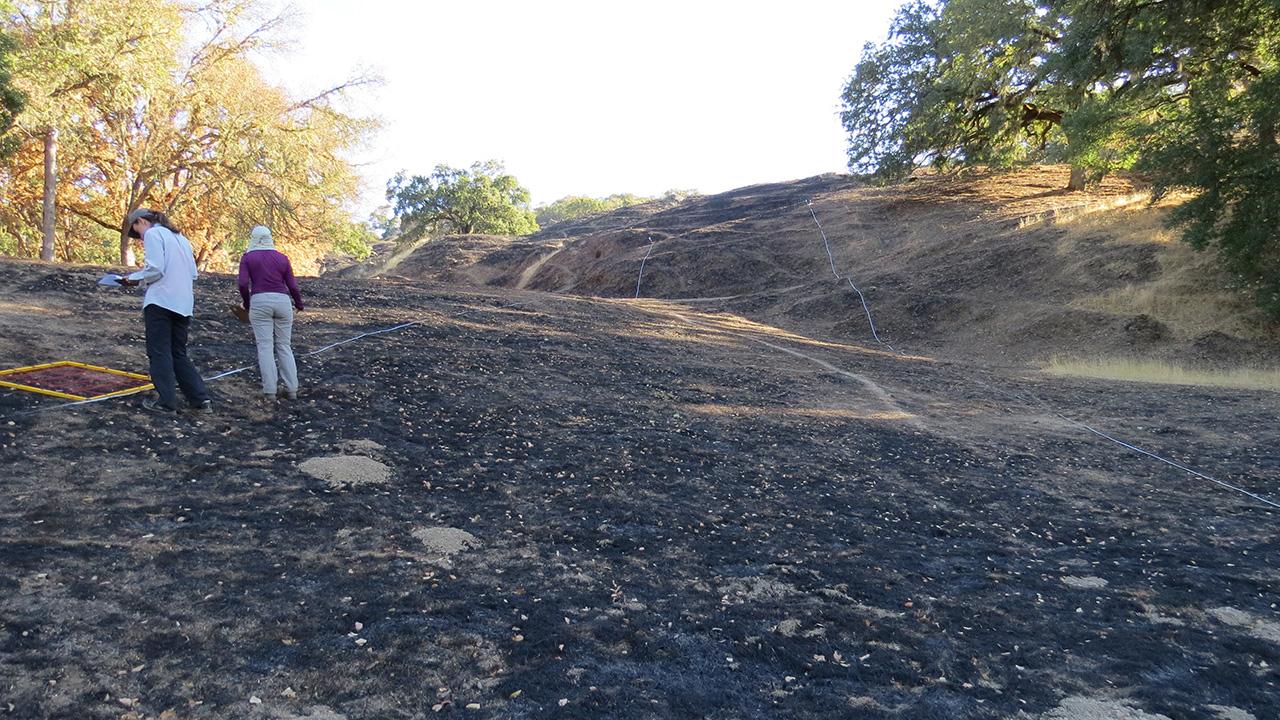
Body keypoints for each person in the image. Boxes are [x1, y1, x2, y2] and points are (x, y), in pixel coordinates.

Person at [118, 208, 213, 414]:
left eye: (137, 232)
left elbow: (155, 269)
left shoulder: (153, 234)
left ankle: (167, 402)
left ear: (142, 221)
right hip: (184, 302)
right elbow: (193, 273)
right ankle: (200, 399)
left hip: (161, 301)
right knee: (178, 353)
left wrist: (133, 279)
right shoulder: (181, 238)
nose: (140, 238)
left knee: (159, 352)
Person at [237, 225, 303, 401]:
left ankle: (270, 391)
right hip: (282, 301)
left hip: (259, 301)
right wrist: (299, 304)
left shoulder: (248, 257)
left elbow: (243, 283)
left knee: (265, 346)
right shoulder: (282, 258)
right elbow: (293, 285)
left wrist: (247, 303)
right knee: (284, 346)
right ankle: (292, 389)